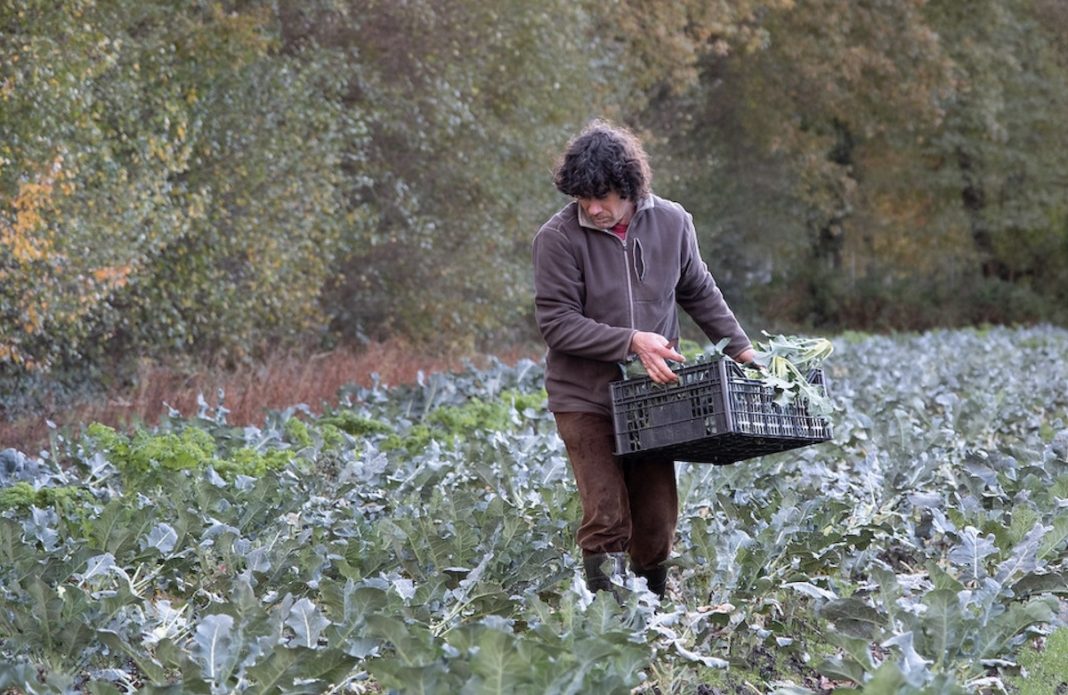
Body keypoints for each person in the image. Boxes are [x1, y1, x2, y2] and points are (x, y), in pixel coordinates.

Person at [532, 120, 756, 601]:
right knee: (608, 514)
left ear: (631, 188)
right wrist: (632, 340)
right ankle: (609, 621)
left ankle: (653, 614)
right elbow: (557, 323)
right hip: (583, 397)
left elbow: (699, 292)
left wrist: (743, 349)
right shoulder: (557, 238)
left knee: (655, 522)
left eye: (604, 196)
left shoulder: (674, 222)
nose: (593, 207)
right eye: (582, 197)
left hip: (653, 395)